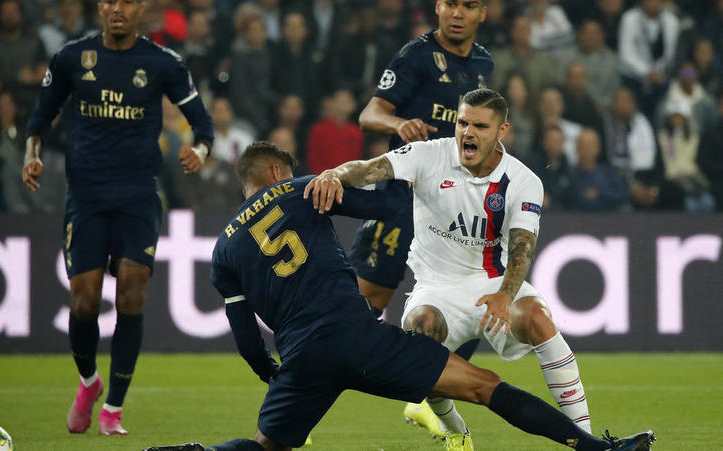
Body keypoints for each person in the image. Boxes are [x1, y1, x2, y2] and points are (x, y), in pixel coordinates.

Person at [141, 141, 655, 451]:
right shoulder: (302, 188)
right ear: (276, 172)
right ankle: (594, 448)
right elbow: (389, 204)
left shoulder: (222, 252)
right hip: (357, 337)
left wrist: (277, 376)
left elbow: (248, 342)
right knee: (483, 384)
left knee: (266, 445)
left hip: (299, 357)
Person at [313, 89, 604, 443]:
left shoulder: (524, 180)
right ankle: (455, 431)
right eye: (463, 123)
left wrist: (505, 295)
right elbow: (368, 169)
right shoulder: (428, 155)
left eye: (480, 126)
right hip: (436, 289)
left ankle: (590, 442)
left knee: (540, 320)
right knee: (422, 333)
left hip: (493, 282)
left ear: (502, 131)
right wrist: (333, 174)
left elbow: (522, 250)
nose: (468, 132)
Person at [22, 0, 214, 436]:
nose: (117, 9)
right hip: (86, 198)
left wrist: (198, 152)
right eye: (109, 1)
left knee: (131, 293)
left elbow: (203, 126)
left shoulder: (162, 63)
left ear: (141, 8)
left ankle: (113, 408)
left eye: (126, 1)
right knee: (84, 300)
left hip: (138, 197)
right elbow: (40, 117)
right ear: (100, 8)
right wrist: (31, 155)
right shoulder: (73, 57)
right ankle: (89, 382)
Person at [350, 0, 492, 444]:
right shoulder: (415, 55)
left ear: (481, 13)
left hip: (453, 207)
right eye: (450, 3)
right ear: (438, 7)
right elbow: (369, 114)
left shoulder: (484, 64)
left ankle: (426, 393)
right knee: (362, 306)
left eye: (468, 5)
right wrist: (399, 123)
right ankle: (296, 389)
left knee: (481, 301)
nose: (457, 13)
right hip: (400, 199)